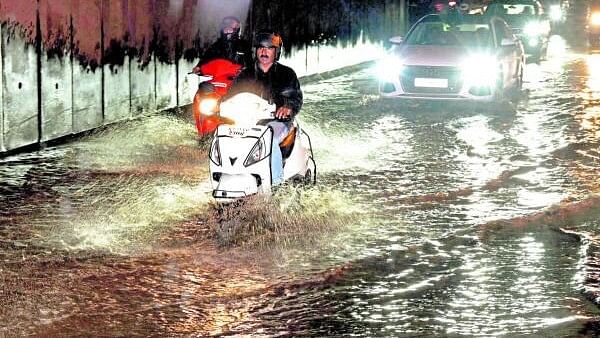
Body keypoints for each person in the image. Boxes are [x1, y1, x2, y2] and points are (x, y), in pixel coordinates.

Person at [226, 30, 303, 185]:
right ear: (256, 50)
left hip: (277, 121)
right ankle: (225, 174)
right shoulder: (245, 74)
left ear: (277, 52)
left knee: (269, 139)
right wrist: (220, 104)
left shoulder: (286, 74)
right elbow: (230, 96)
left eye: (269, 48)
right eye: (261, 47)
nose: (264, 51)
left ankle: (276, 183)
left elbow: (295, 96)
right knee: (224, 136)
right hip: (247, 121)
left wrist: (288, 106)